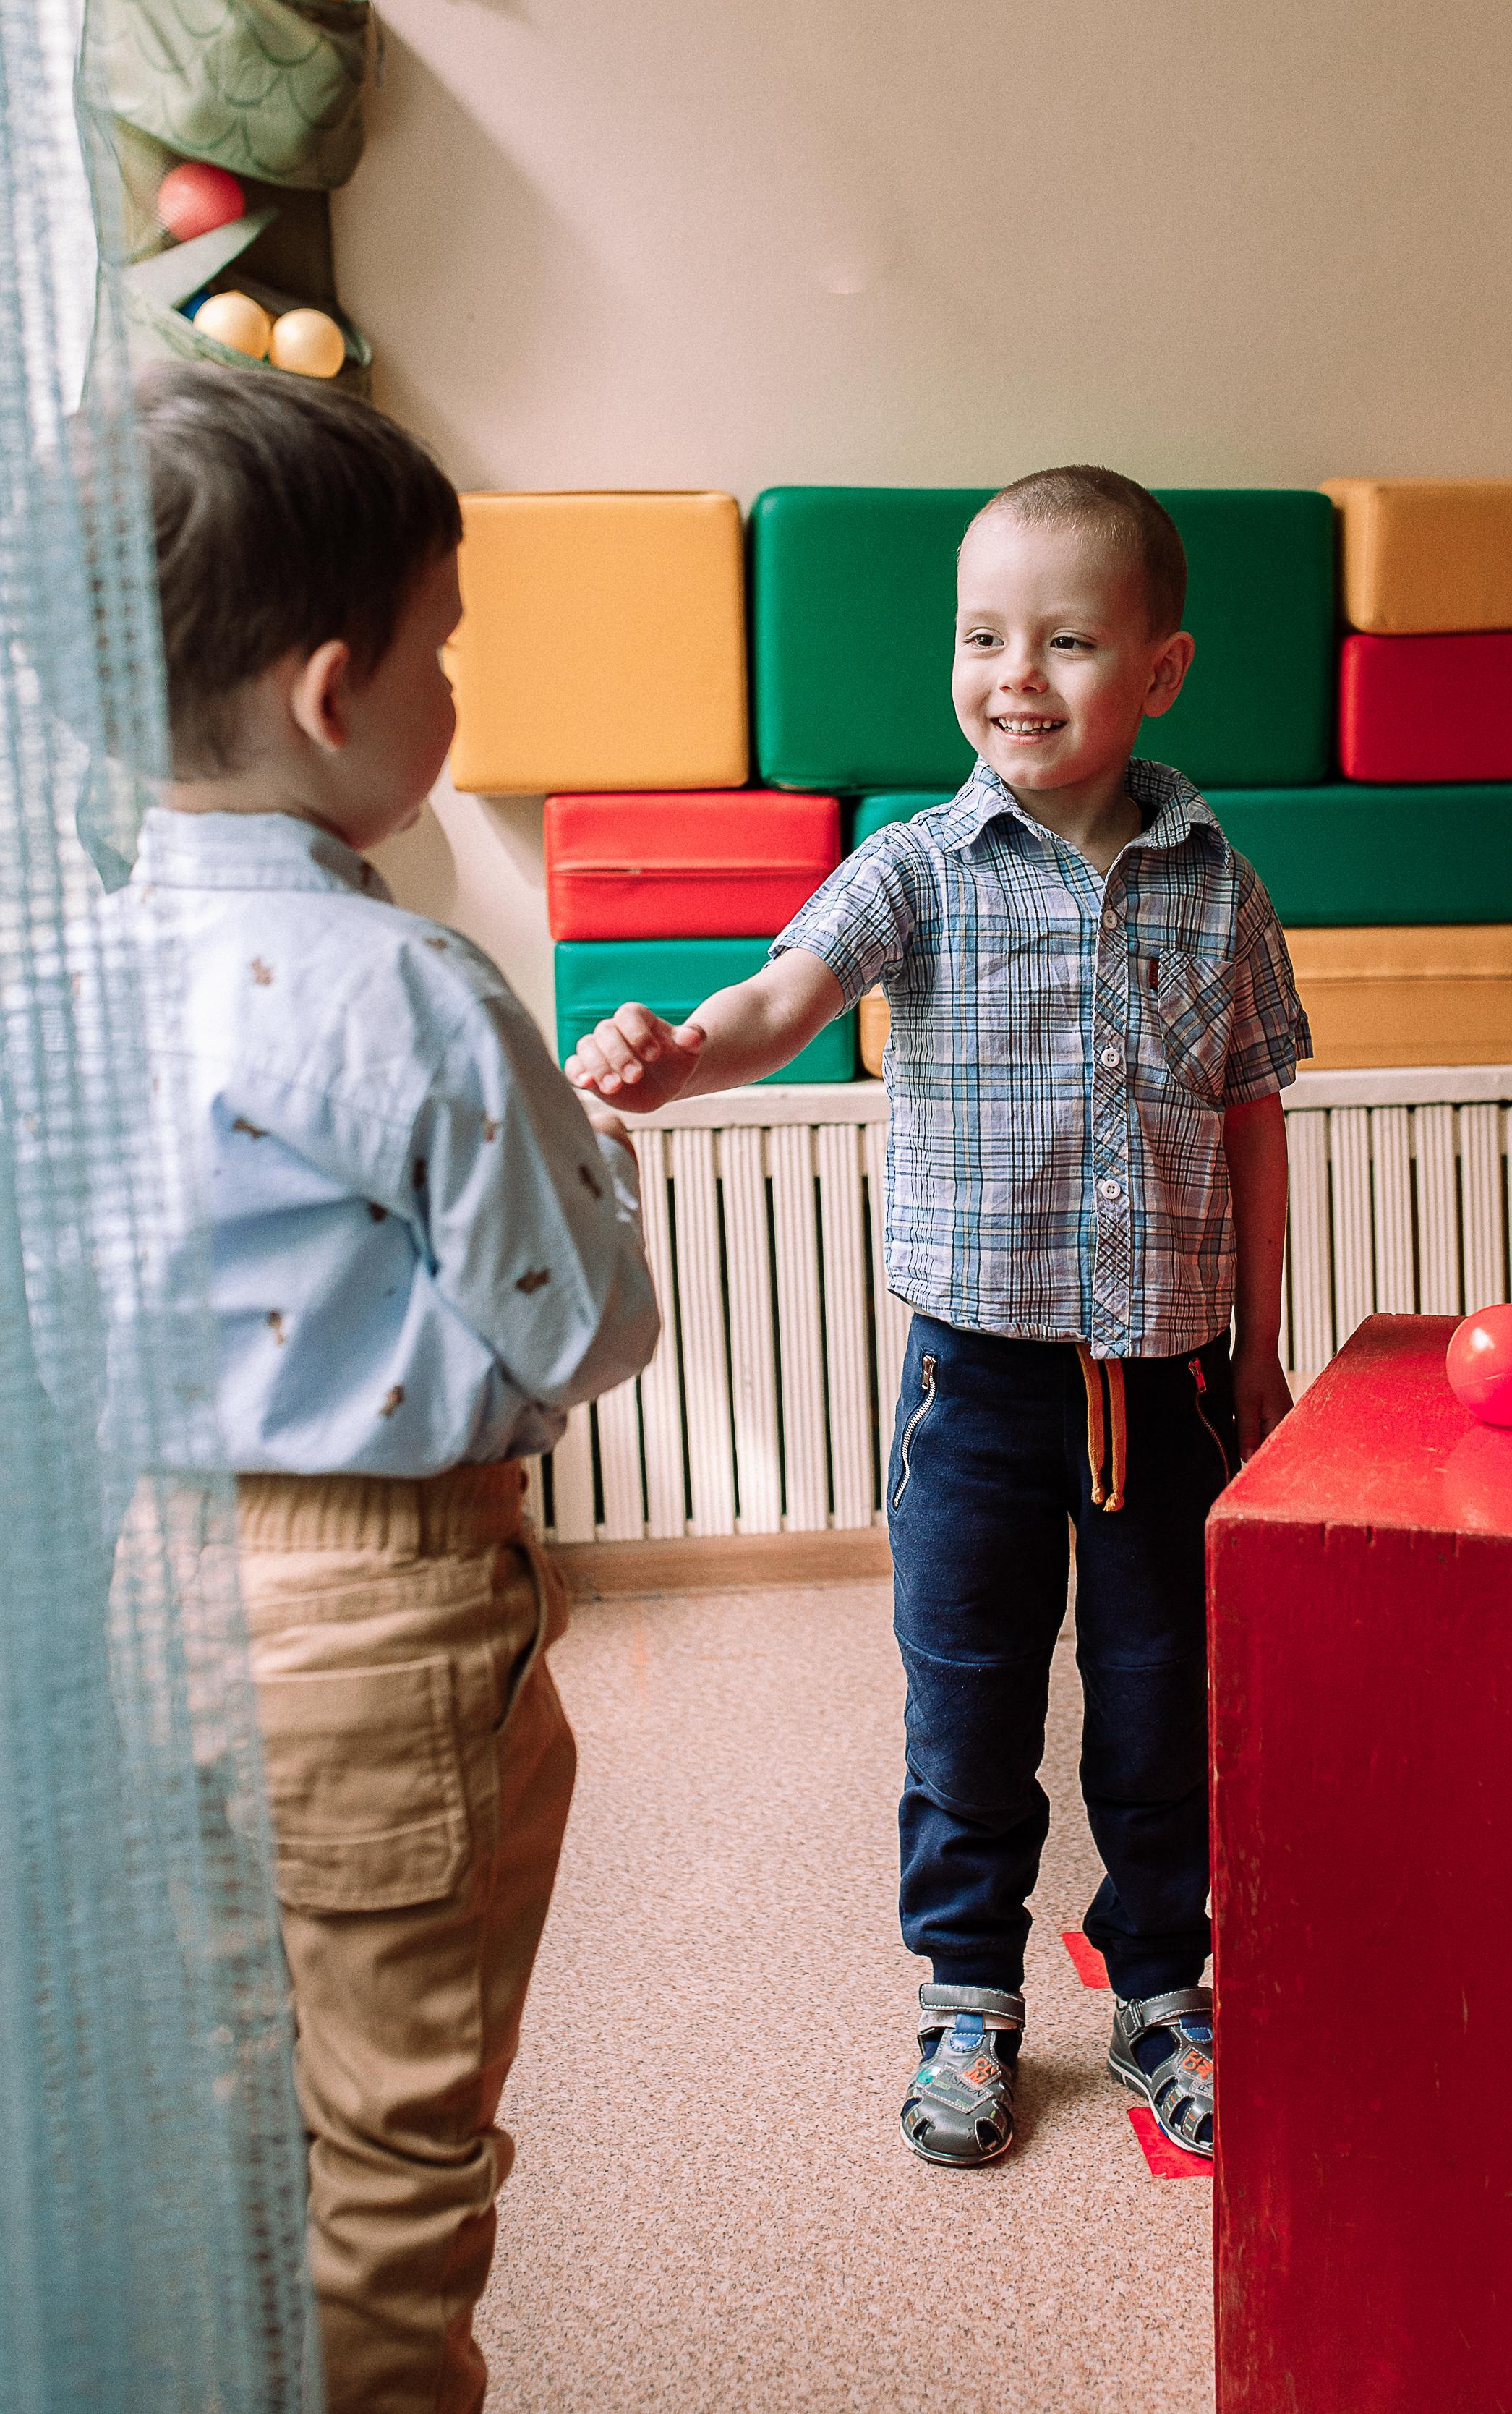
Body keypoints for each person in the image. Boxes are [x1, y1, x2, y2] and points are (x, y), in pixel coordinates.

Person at [565, 465, 1309, 2169]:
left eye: (1065, 639)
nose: (1015, 675)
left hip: (1172, 1377)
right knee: (964, 1692)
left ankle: (1162, 1984)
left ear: (1162, 670)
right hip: (976, 1382)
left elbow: (1258, 1114)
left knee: (1162, 1693)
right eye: (983, 636)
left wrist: (1262, 1348)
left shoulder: (1221, 886)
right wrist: (679, 1052)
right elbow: (775, 994)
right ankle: (968, 1988)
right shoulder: (920, 865)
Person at [117, 364, 658, 2406]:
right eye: (448, 647)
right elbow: (581, 1326)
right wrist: (588, 1161)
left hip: (135, 1596)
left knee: (223, 2096)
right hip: (378, 1610)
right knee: (394, 2150)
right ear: (339, 691)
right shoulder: (410, 990)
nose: (457, 693)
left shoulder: (55, 969)